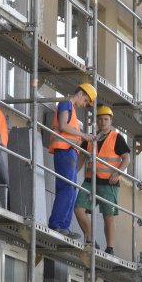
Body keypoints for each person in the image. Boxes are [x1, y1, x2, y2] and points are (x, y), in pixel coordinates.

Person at [74, 106, 130, 255]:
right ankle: (91, 239)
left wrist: (117, 174)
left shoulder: (116, 137)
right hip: (90, 180)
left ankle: (110, 248)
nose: (102, 122)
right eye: (100, 119)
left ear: (111, 121)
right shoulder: (92, 138)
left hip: (109, 183)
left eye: (106, 119)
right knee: (79, 209)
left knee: (108, 216)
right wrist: (73, 174)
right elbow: (81, 157)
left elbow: (126, 159)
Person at [47, 84, 96, 237]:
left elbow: (68, 130)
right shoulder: (65, 103)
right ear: (80, 94)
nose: (84, 104)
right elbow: (63, 125)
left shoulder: (72, 110)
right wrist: (84, 136)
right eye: (86, 100)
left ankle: (64, 226)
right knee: (67, 188)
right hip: (64, 150)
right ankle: (56, 224)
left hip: (69, 151)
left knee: (71, 189)